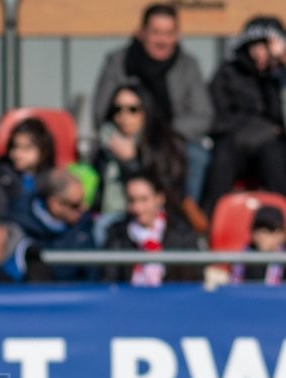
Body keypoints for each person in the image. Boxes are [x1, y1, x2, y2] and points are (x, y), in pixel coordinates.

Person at [91, 3, 213, 204]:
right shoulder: (119, 62)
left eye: (169, 33)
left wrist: (160, 132)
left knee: (197, 156)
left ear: (177, 35)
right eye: (156, 32)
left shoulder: (188, 65)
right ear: (141, 33)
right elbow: (101, 111)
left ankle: (186, 219)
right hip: (127, 135)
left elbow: (203, 115)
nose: (162, 40)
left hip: (173, 138)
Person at [91, 81, 205, 244]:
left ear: (146, 110)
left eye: (133, 110)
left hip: (156, 218)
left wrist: (130, 161)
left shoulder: (163, 143)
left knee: (103, 227)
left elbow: (167, 188)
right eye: (117, 110)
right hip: (112, 215)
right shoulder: (105, 144)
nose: (124, 117)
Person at [202, 16, 286, 215]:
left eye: (266, 46)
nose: (260, 52)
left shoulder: (280, 77)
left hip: (273, 150)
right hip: (235, 145)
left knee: (274, 154)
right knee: (224, 156)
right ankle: (208, 221)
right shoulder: (228, 73)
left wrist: (277, 72)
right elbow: (214, 119)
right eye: (255, 45)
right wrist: (259, 129)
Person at [104, 171, 201, 285]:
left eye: (143, 199)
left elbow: (193, 279)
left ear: (159, 198)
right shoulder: (117, 234)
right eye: (131, 200)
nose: (137, 208)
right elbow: (109, 278)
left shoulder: (182, 234)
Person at [12, 168, 97, 281]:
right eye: (75, 205)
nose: (83, 208)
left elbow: (92, 275)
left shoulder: (83, 228)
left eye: (84, 201)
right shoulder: (19, 223)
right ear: (54, 204)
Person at [0, 117, 55, 222]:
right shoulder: (3, 177)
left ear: (44, 150)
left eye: (26, 148)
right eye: (15, 147)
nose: (18, 154)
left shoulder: (51, 179)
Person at [231, 205, 285, 285]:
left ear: (281, 235)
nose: (261, 236)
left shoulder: (284, 259)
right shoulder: (244, 259)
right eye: (257, 229)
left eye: (268, 230)